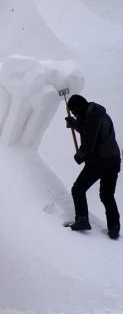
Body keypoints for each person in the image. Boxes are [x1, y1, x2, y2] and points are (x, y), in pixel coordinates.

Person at [65, 94, 120, 239]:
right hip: (113, 160)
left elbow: (89, 144)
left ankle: (82, 219)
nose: (75, 114)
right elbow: (89, 130)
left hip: (100, 161)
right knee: (107, 195)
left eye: (75, 112)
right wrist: (75, 124)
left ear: (79, 108)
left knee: (78, 189)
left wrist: (79, 156)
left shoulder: (93, 118)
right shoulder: (95, 113)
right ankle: (114, 227)